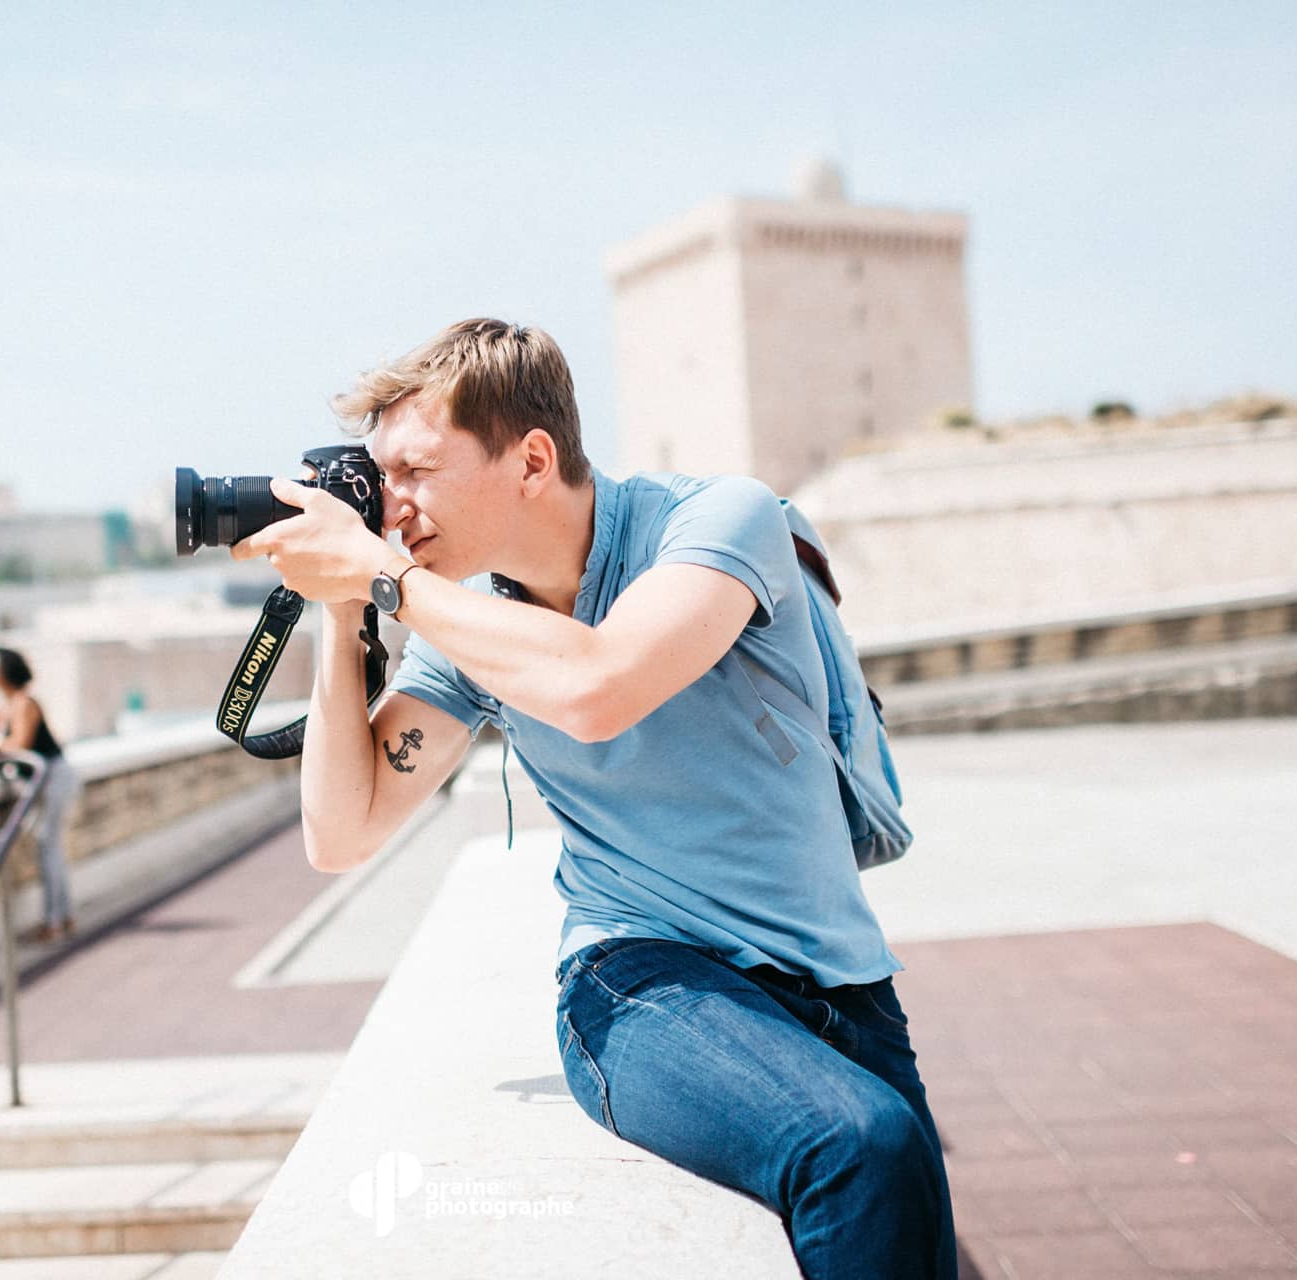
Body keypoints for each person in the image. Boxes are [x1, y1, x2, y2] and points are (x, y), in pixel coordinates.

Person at [230, 318, 955, 1279]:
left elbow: (597, 687)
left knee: (897, 1182)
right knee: (859, 1147)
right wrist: (342, 609)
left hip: (843, 980)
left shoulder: (714, 523)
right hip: (640, 981)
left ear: (531, 459)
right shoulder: (462, 616)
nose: (391, 507)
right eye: (379, 480)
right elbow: (341, 830)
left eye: (415, 472)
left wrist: (386, 577)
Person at [0, 645, 80, 943]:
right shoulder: (4, 706)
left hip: (53, 777)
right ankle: (64, 917)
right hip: (40, 779)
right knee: (51, 848)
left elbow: (18, 744)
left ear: (7, 671)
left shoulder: (24, 703)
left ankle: (54, 922)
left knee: (48, 848)